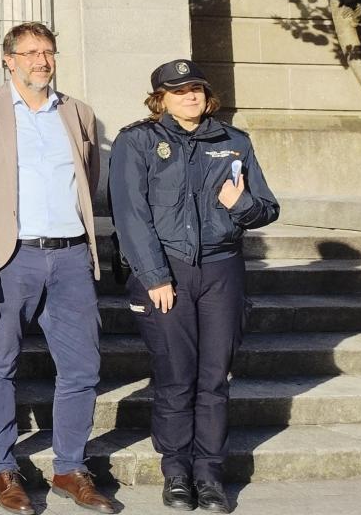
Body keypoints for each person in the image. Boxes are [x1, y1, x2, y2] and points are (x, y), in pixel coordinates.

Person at [0, 22, 117, 515]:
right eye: (29, 53)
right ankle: (4, 468)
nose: (40, 61)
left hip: (70, 256)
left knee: (83, 367)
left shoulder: (79, 113)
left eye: (47, 52)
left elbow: (89, 179)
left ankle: (69, 466)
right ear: (9, 60)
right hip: (10, 258)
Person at [109, 60, 280, 514]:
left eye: (196, 89)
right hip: (168, 272)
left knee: (214, 379)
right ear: (160, 98)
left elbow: (266, 208)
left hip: (223, 271)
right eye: (179, 90)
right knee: (175, 378)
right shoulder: (138, 141)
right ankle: (177, 473)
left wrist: (241, 203)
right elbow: (131, 216)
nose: (190, 96)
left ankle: (209, 474)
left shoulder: (233, 142)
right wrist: (155, 277)